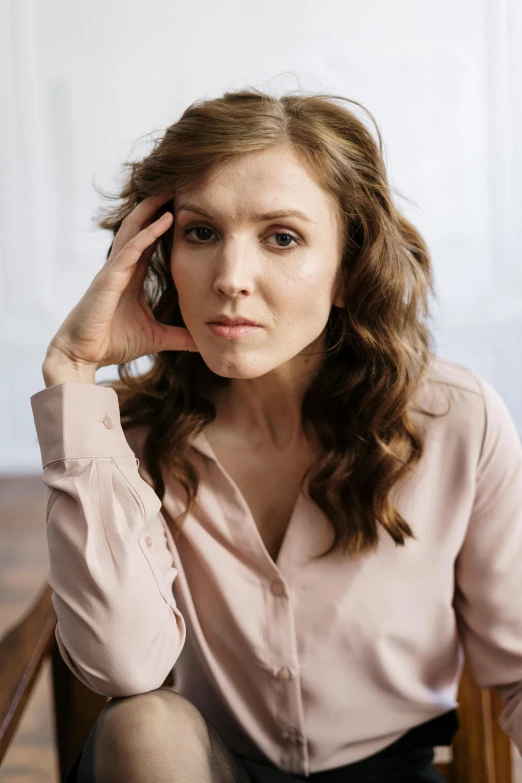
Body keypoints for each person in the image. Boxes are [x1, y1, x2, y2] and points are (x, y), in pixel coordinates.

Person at [30, 87, 522, 782]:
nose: (231, 279)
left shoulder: (458, 421)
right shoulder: (124, 438)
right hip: (207, 767)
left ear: (349, 269)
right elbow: (122, 665)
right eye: (200, 233)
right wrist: (73, 375)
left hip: (390, 769)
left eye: (281, 237)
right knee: (143, 722)